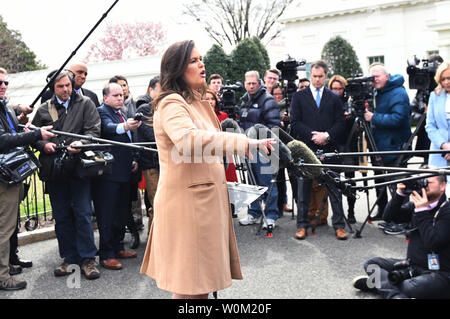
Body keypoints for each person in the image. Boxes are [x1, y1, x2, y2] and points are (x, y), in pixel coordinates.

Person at [140, 40, 275, 299]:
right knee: (191, 289)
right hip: (189, 207)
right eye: (193, 60)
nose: (201, 64)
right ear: (177, 69)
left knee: (198, 288)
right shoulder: (172, 103)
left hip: (202, 205)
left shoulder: (195, 101)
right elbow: (190, 141)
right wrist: (244, 143)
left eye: (200, 58)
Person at [32, 70, 101, 281]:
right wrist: (45, 145)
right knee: (61, 216)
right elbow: (33, 135)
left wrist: (81, 143)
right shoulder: (44, 109)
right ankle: (69, 258)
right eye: (60, 86)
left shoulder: (86, 103)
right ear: (53, 87)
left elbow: (94, 132)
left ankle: (88, 259)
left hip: (79, 168)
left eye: (68, 86)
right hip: (55, 170)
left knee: (82, 214)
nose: (65, 90)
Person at [0, 68, 55, 291]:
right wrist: (36, 134)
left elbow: (10, 125)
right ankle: (3, 276)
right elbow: (3, 140)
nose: (3, 86)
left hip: (10, 176)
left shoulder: (4, 106)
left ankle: (7, 265)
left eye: (5, 82)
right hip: (4, 178)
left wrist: (19, 112)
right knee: (4, 229)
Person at [353, 175, 450, 299]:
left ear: (443, 186)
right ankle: (392, 292)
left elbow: (434, 243)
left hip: (439, 273)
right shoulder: (415, 206)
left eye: (428, 182)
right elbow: (388, 217)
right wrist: (399, 194)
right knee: (372, 263)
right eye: (422, 182)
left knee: (408, 287)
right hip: (412, 266)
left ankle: (380, 285)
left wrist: (422, 211)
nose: (424, 186)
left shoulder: (446, 211)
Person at [290, 60, 348, 240]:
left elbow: (341, 123)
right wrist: (313, 136)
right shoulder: (299, 97)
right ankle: (302, 225)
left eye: (320, 76)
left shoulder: (334, 98)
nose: (316, 80)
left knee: (334, 188)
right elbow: (295, 122)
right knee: (303, 189)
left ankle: (339, 225)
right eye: (314, 76)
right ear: (310, 76)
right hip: (307, 148)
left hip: (329, 148)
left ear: (325, 76)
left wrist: (327, 135)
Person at [92, 83, 141, 270]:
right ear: (105, 98)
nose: (120, 98)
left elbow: (130, 138)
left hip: (125, 170)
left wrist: (134, 158)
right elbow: (109, 128)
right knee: (107, 215)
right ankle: (106, 254)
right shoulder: (101, 111)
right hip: (109, 174)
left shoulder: (123, 111)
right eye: (115, 95)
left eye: (121, 95)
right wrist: (125, 126)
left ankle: (118, 247)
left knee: (122, 212)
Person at [364, 63, 412, 220]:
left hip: (395, 147)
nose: (374, 80)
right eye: (372, 77)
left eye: (377, 76)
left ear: (387, 76)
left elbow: (399, 118)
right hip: (378, 145)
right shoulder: (376, 92)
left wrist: (373, 118)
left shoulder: (398, 92)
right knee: (380, 180)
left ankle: (401, 218)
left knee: (399, 185)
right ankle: (383, 212)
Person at [238, 70, 281, 229]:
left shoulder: (268, 100)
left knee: (267, 183)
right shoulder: (244, 100)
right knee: (251, 183)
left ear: (259, 83)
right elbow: (242, 123)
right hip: (247, 148)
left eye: (253, 83)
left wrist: (262, 142)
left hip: (264, 149)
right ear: (244, 84)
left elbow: (273, 125)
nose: (250, 86)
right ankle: (254, 213)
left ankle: (271, 215)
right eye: (248, 83)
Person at [329, 75, 356, 224]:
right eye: (334, 89)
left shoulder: (350, 102)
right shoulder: (328, 102)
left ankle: (351, 211)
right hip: (334, 145)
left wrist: (349, 117)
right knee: (334, 180)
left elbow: (357, 124)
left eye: (340, 89)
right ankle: (337, 215)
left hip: (349, 144)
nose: (337, 92)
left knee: (351, 180)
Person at [136, 76, 161, 230]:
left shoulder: (161, 107)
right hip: (152, 163)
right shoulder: (144, 108)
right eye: (161, 89)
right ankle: (155, 243)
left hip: (163, 161)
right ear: (151, 89)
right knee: (157, 204)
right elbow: (153, 136)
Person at [425, 61, 450, 194]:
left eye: (449, 78)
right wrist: (444, 145)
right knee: (436, 192)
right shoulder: (435, 96)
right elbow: (430, 125)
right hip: (438, 151)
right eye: (443, 79)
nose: (446, 82)